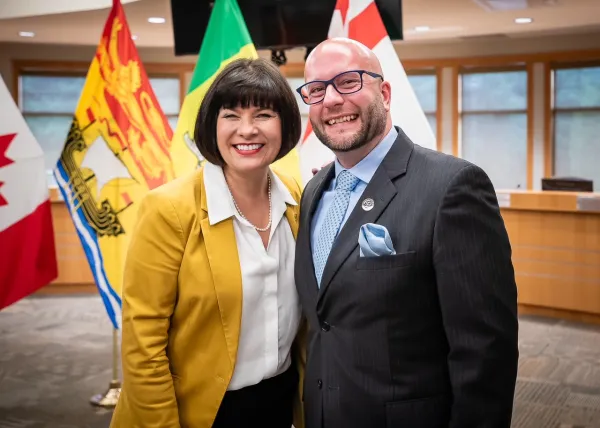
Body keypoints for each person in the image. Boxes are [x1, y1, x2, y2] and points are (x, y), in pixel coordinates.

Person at [294, 37, 519, 428]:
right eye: (316, 90)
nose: (331, 99)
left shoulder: (452, 186)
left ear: (383, 92)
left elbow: (485, 351)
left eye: (348, 82)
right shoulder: (313, 192)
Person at [110, 58, 306, 428]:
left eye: (263, 114)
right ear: (211, 126)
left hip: (280, 402)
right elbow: (143, 344)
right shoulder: (168, 209)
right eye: (230, 115)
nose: (246, 130)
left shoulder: (296, 196)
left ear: (286, 125)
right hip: (198, 410)